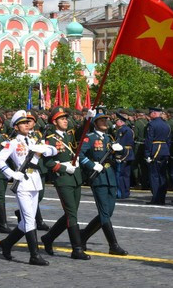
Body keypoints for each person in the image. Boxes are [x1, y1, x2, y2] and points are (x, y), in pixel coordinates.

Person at [0, 110, 56, 266]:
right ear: (16, 127)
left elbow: (53, 150)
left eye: (27, 122)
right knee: (30, 220)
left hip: (35, 182)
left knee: (25, 223)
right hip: (22, 184)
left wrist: (45, 149)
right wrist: (11, 174)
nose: (27, 125)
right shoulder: (13, 143)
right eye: (23, 123)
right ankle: (34, 255)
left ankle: (7, 243)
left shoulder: (34, 140)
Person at [40, 106, 88, 260]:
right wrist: (63, 167)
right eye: (62, 118)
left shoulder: (69, 135)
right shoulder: (50, 139)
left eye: (66, 118)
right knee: (72, 214)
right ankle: (77, 248)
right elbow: (47, 162)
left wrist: (89, 119)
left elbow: (82, 133)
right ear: (54, 121)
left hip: (75, 177)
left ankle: (48, 238)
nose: (66, 120)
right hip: (63, 178)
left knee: (70, 213)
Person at [78, 111, 128, 255]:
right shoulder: (90, 138)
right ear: (95, 123)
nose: (105, 122)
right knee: (104, 213)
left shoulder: (109, 138)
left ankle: (84, 235)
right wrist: (91, 165)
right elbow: (80, 154)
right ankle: (113, 245)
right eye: (101, 121)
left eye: (106, 120)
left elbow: (120, 155)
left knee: (108, 212)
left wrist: (120, 150)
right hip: (98, 176)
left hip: (110, 176)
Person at [145, 107, 171, 205]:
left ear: (155, 113)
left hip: (155, 150)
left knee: (154, 176)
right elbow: (168, 140)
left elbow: (149, 140)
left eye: (151, 113)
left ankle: (156, 198)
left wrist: (147, 154)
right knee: (162, 175)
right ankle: (162, 198)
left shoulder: (151, 124)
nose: (150, 115)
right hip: (164, 150)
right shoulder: (166, 125)